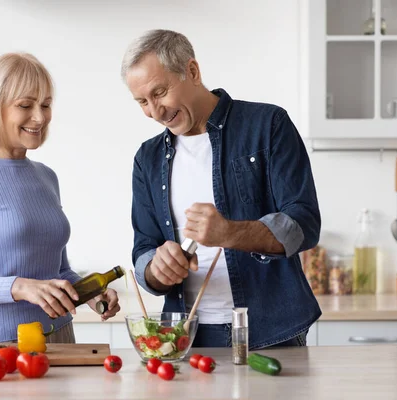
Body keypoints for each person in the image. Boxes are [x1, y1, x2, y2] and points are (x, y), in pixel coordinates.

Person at [121, 30, 321, 349]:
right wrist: (156, 268)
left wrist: (229, 233)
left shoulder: (268, 125)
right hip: (187, 336)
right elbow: (144, 248)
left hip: (271, 330)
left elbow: (304, 224)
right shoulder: (148, 158)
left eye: (159, 92)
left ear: (193, 71)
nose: (154, 111)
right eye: (142, 101)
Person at [0, 53, 120, 344]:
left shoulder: (47, 176)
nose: (40, 117)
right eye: (25, 105)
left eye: (46, 105)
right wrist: (21, 288)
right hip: (4, 347)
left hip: (61, 337)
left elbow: (58, 271)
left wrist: (89, 292)